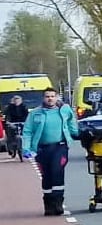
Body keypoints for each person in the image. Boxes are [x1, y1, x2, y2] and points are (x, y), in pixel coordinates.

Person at [20, 88, 78, 216]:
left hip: (60, 147)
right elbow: (27, 132)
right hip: (42, 148)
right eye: (47, 96)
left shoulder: (64, 110)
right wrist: (26, 148)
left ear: (57, 97)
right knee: (46, 176)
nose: (50, 99)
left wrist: (76, 133)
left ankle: (58, 203)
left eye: (52, 96)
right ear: (43, 98)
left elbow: (71, 121)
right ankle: (48, 205)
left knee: (57, 171)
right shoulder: (35, 113)